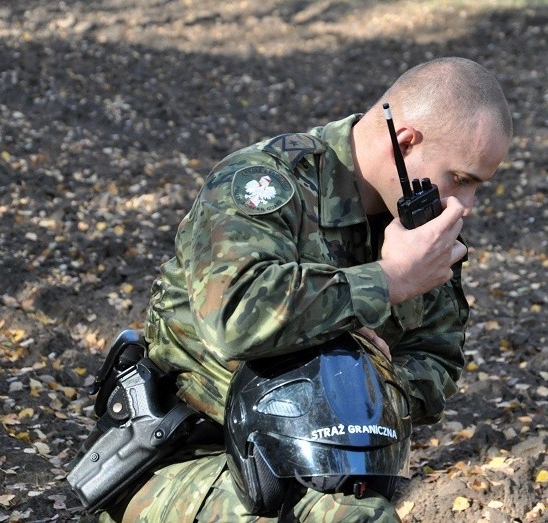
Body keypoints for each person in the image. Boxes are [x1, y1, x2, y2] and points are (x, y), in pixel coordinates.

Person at [102, 56, 512, 522]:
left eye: (478, 186)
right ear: (405, 142)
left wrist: (369, 378)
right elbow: (234, 316)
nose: (465, 205)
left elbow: (438, 359)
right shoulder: (266, 183)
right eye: (459, 179)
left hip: (326, 467)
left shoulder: (423, 227)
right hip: (188, 455)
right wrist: (388, 280)